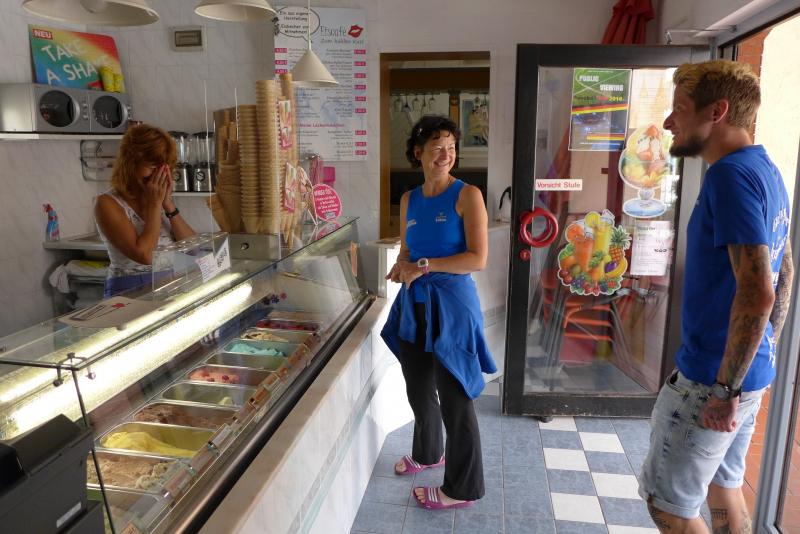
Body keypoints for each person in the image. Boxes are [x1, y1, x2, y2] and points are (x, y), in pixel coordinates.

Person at [639, 60, 794, 533]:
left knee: (670, 507)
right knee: (723, 489)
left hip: (714, 379)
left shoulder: (730, 176)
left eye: (680, 109)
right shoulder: (765, 168)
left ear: (717, 111)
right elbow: (784, 270)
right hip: (747, 373)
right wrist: (760, 355)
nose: (669, 122)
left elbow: (759, 290)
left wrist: (725, 390)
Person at [380, 115, 496, 510]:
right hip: (415, 304)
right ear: (418, 153)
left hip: (453, 308)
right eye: (436, 148)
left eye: (451, 148)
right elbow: (407, 248)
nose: (446, 155)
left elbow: (477, 258)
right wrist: (402, 265)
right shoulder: (409, 199)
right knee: (418, 387)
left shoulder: (468, 195)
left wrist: (424, 266)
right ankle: (429, 453)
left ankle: (461, 489)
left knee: (455, 398)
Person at [95, 124, 196, 297]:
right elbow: (145, 256)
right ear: (130, 163)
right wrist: (154, 205)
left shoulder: (159, 199)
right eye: (152, 167)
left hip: (170, 285)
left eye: (164, 169)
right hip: (131, 292)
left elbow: (193, 248)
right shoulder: (107, 203)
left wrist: (168, 205)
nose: (158, 175)